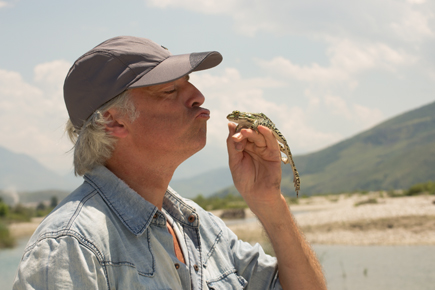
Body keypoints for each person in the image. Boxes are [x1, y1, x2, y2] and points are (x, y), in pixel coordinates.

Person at [13, 36, 326, 289]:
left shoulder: (202, 229)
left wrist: (270, 202)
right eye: (169, 89)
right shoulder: (72, 247)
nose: (198, 95)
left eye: (189, 82)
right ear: (113, 121)